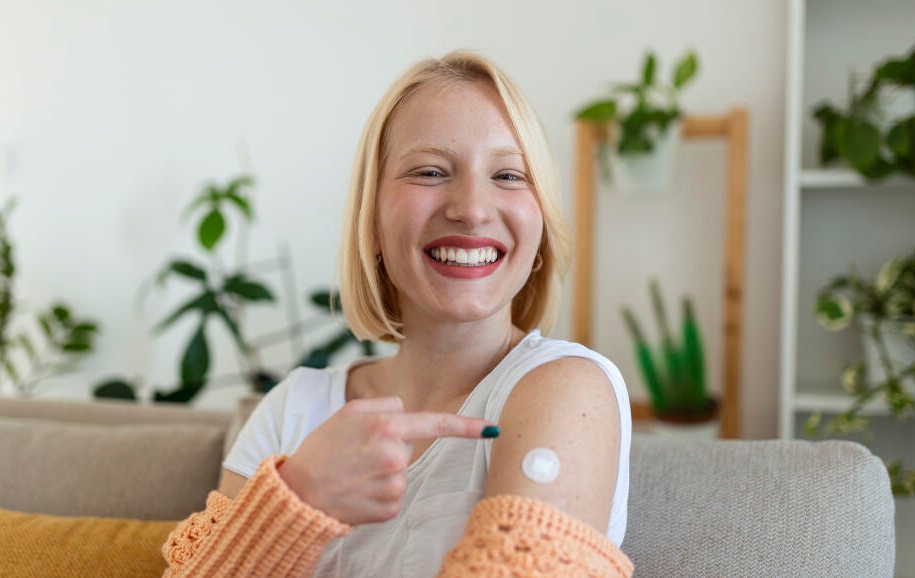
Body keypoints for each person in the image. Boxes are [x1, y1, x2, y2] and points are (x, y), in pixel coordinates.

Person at [161, 50, 634, 577]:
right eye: (430, 171)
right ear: (373, 225)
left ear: (540, 228)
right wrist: (300, 498)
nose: (472, 208)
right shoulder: (291, 410)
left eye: (508, 175)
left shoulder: (566, 387)